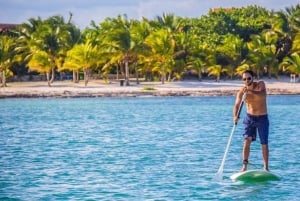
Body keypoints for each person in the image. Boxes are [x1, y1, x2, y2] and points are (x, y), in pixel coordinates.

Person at [233, 70, 269, 172]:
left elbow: (262, 95)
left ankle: (266, 167)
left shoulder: (260, 85)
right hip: (250, 118)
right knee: (247, 140)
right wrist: (235, 116)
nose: (247, 80)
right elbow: (236, 105)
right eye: (244, 79)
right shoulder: (241, 92)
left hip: (262, 118)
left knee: (264, 143)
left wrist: (250, 91)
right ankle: (244, 167)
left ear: (253, 78)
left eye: (249, 78)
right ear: (242, 80)